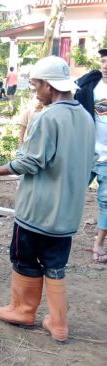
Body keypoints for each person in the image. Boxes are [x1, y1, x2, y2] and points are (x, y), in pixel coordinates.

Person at [0, 56, 95, 343]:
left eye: (37, 85)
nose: (36, 91)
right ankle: (58, 323)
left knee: (24, 258)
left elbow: (30, 162)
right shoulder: (86, 118)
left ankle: (22, 311)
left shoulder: (47, 118)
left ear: (49, 86)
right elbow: (91, 161)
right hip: (67, 215)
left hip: (37, 212)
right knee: (55, 264)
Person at [76, 47, 107, 264]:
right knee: (70, 192)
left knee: (106, 202)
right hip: (87, 152)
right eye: (103, 62)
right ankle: (59, 236)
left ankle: (99, 243)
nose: (105, 66)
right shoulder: (89, 86)